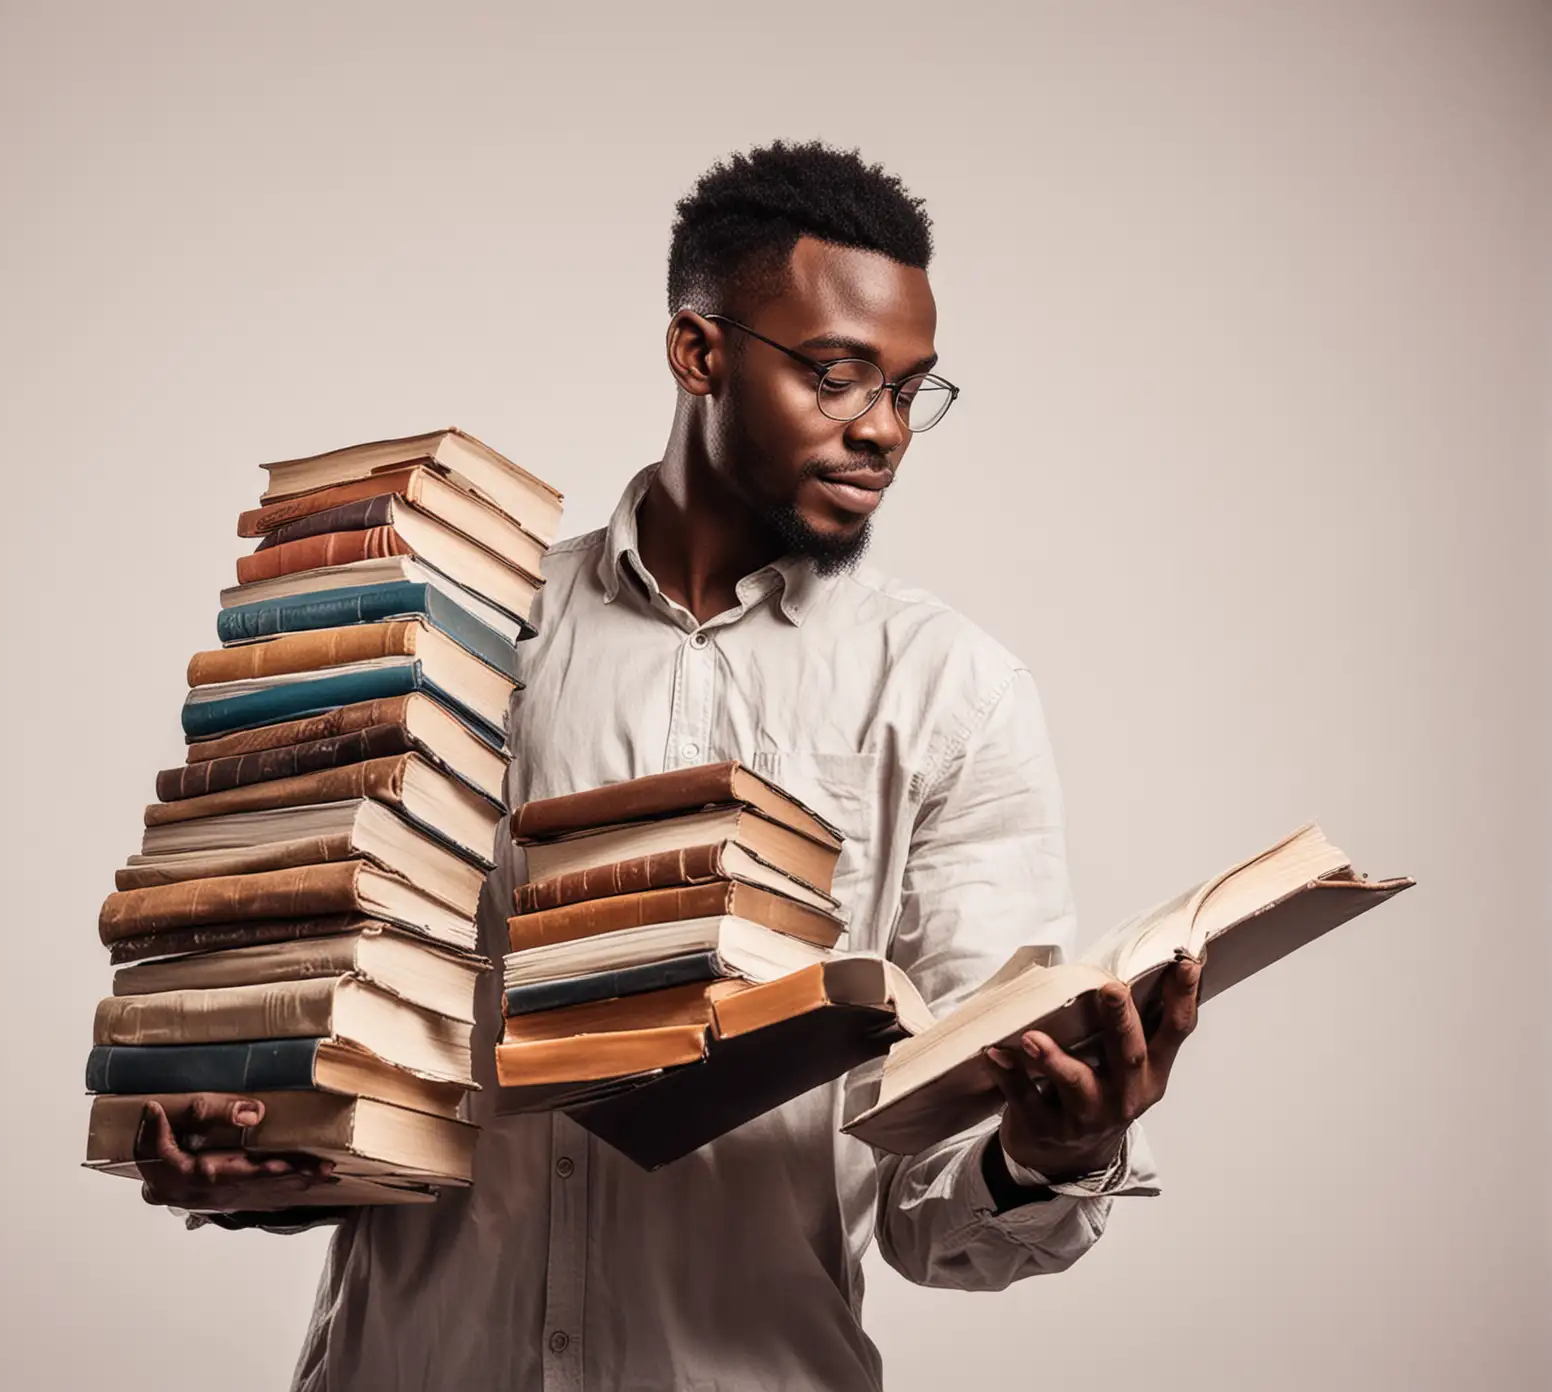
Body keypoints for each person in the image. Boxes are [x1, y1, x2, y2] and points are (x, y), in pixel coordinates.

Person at [134, 140, 1203, 1391]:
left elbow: (934, 1212)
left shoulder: (955, 696)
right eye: (838, 376)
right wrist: (251, 1156)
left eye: (912, 389)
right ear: (700, 354)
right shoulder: (457, 635)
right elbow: (348, 1065)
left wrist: (1051, 1150)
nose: (885, 431)